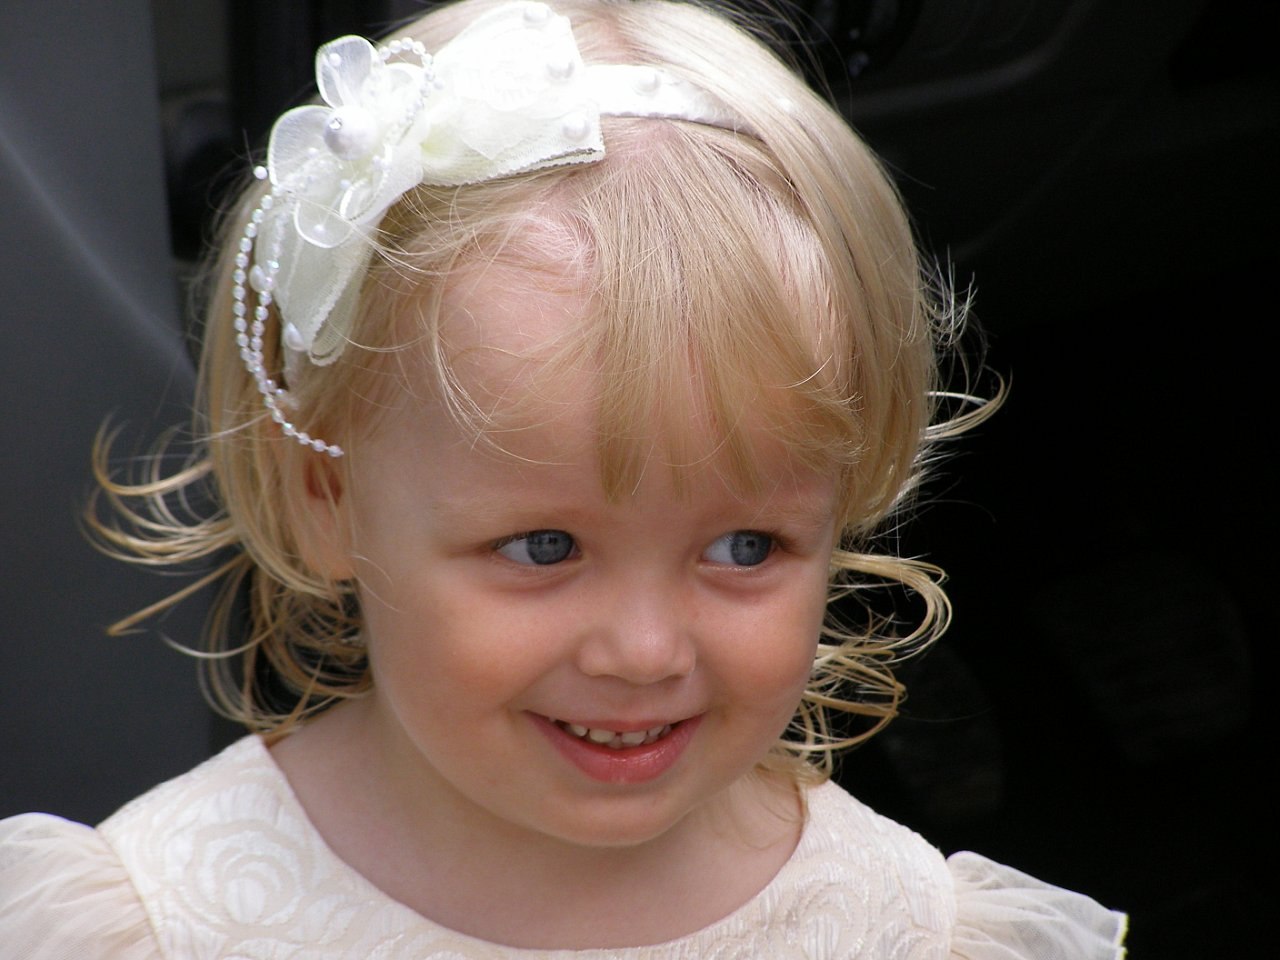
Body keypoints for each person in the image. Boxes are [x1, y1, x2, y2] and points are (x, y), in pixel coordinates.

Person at [0, 1, 1127, 956]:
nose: (644, 651)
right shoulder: (159, 920)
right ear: (325, 498)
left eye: (745, 547)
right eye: (544, 547)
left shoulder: (900, 928)